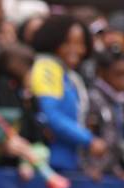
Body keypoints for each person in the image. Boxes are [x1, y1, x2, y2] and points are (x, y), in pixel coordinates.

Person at [30, 14, 107, 171]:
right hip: (50, 165)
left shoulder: (68, 75)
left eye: (80, 43)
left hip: (70, 163)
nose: (76, 50)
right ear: (54, 41)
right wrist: (89, 140)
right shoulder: (47, 68)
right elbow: (51, 115)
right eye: (68, 43)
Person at [83, 49, 124, 187]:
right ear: (101, 73)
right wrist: (87, 168)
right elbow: (85, 140)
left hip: (106, 177)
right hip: (87, 178)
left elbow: (113, 144)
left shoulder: (120, 103)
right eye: (119, 75)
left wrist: (118, 172)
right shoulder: (92, 99)